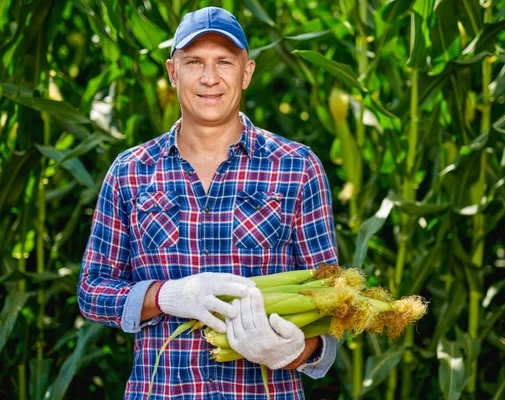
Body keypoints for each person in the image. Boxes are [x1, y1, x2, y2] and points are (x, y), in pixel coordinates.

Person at [78, 6, 339, 400]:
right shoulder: (130, 171)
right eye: (194, 62)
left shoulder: (297, 168)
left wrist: (291, 352)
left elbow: (334, 302)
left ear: (246, 72)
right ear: (172, 72)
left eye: (224, 62)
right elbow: (92, 290)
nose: (209, 78)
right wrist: (168, 296)